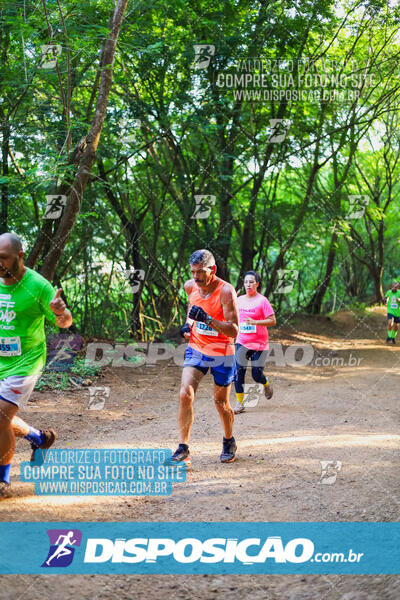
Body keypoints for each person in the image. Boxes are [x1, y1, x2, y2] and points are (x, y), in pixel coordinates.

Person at [0, 233, 72, 498]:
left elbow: (65, 322)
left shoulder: (38, 286)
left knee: (0, 416)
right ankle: (38, 438)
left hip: (25, 362)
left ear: (20, 256)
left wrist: (58, 312)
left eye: (4, 258)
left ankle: (3, 481)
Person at [171, 249, 239, 467]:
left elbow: (234, 330)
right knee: (185, 393)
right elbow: (192, 310)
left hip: (222, 352)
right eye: (193, 272)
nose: (196, 276)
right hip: (197, 348)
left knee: (221, 403)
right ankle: (183, 449)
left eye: (200, 272)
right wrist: (188, 325)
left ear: (213, 270)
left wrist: (208, 320)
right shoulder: (190, 286)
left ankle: (229, 440)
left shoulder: (226, 292)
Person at [233, 271, 276, 414]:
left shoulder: (262, 301)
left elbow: (272, 320)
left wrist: (256, 322)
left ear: (257, 284)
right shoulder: (239, 300)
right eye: (246, 282)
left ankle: (266, 384)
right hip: (242, 341)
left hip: (259, 344)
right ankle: (240, 403)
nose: (248, 285)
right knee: (238, 372)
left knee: (257, 375)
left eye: (251, 282)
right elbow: (230, 315)